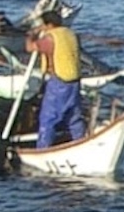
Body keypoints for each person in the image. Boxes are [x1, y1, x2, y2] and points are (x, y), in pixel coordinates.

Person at [27, 9, 86, 147]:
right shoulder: (71, 34)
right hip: (75, 80)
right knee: (73, 116)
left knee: (48, 118)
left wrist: (31, 35)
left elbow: (30, 47)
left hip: (59, 81)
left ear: (48, 25)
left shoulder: (49, 38)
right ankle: (80, 141)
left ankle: (43, 149)